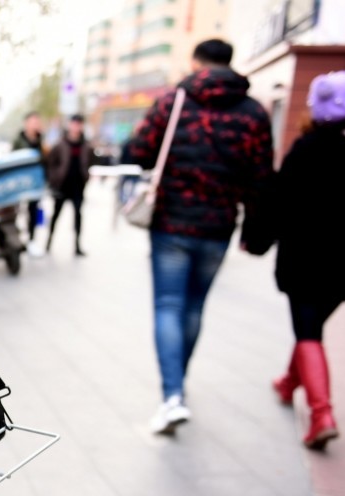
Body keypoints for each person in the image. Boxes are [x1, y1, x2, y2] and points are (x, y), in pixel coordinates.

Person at [125, 38, 274, 435]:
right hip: (219, 225)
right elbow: (262, 179)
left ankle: (172, 394)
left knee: (168, 305)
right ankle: (179, 384)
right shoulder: (254, 112)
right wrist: (256, 232)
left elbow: (138, 151)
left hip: (171, 223)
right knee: (193, 308)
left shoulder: (174, 101)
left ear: (196, 62)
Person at [242, 70, 345, 450]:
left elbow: (277, 200)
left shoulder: (309, 148)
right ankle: (289, 382)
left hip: (305, 261)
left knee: (308, 331)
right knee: (312, 325)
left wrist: (256, 240)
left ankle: (321, 413)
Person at [45, 114, 92, 256]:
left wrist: (86, 176)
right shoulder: (60, 144)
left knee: (78, 215)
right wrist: (54, 179)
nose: (76, 127)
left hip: (78, 186)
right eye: (74, 123)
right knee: (56, 215)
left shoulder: (86, 145)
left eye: (79, 124)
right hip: (62, 186)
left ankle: (77, 246)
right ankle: (48, 243)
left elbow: (90, 162)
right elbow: (51, 163)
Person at [13, 112, 47, 244]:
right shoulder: (18, 140)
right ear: (26, 123)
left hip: (36, 181)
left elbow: (46, 159)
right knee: (17, 209)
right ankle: (16, 238)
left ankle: (31, 238)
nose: (35, 125)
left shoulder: (42, 140)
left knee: (34, 210)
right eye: (33, 122)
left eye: (37, 122)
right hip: (20, 180)